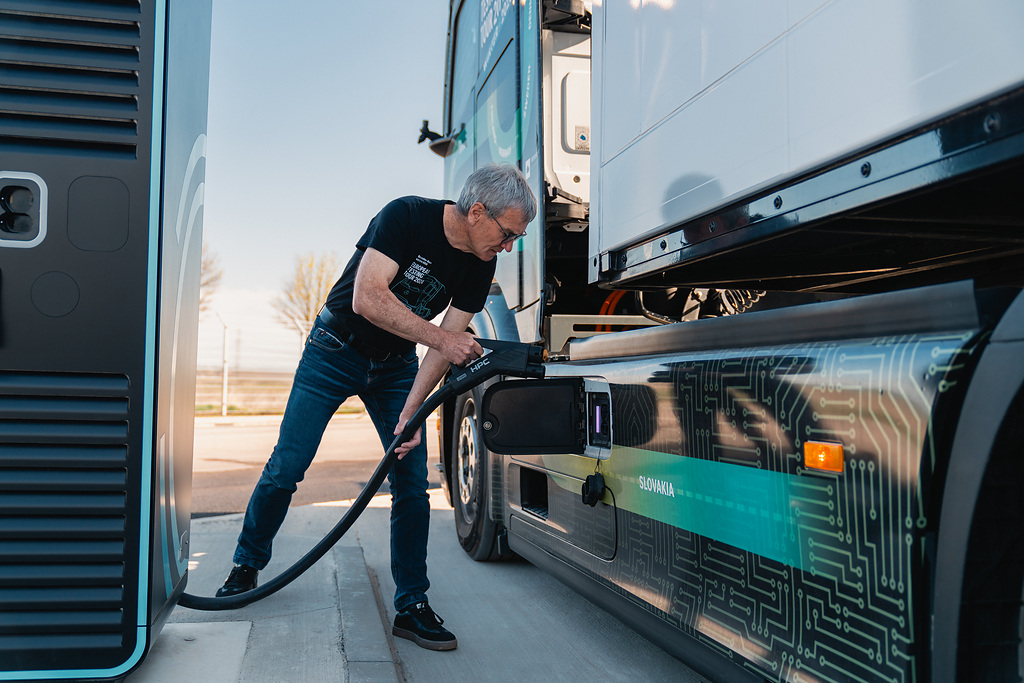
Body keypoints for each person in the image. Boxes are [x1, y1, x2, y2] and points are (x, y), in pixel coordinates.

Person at [215, 163, 537, 652]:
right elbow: (369, 298)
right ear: (477, 212)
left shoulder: (481, 261)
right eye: (509, 233)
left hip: (395, 368)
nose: (509, 246)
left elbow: (438, 350)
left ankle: (411, 604)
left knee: (411, 481)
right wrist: (444, 340)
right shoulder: (404, 217)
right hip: (334, 349)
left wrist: (411, 411)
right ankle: (246, 564)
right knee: (288, 465)